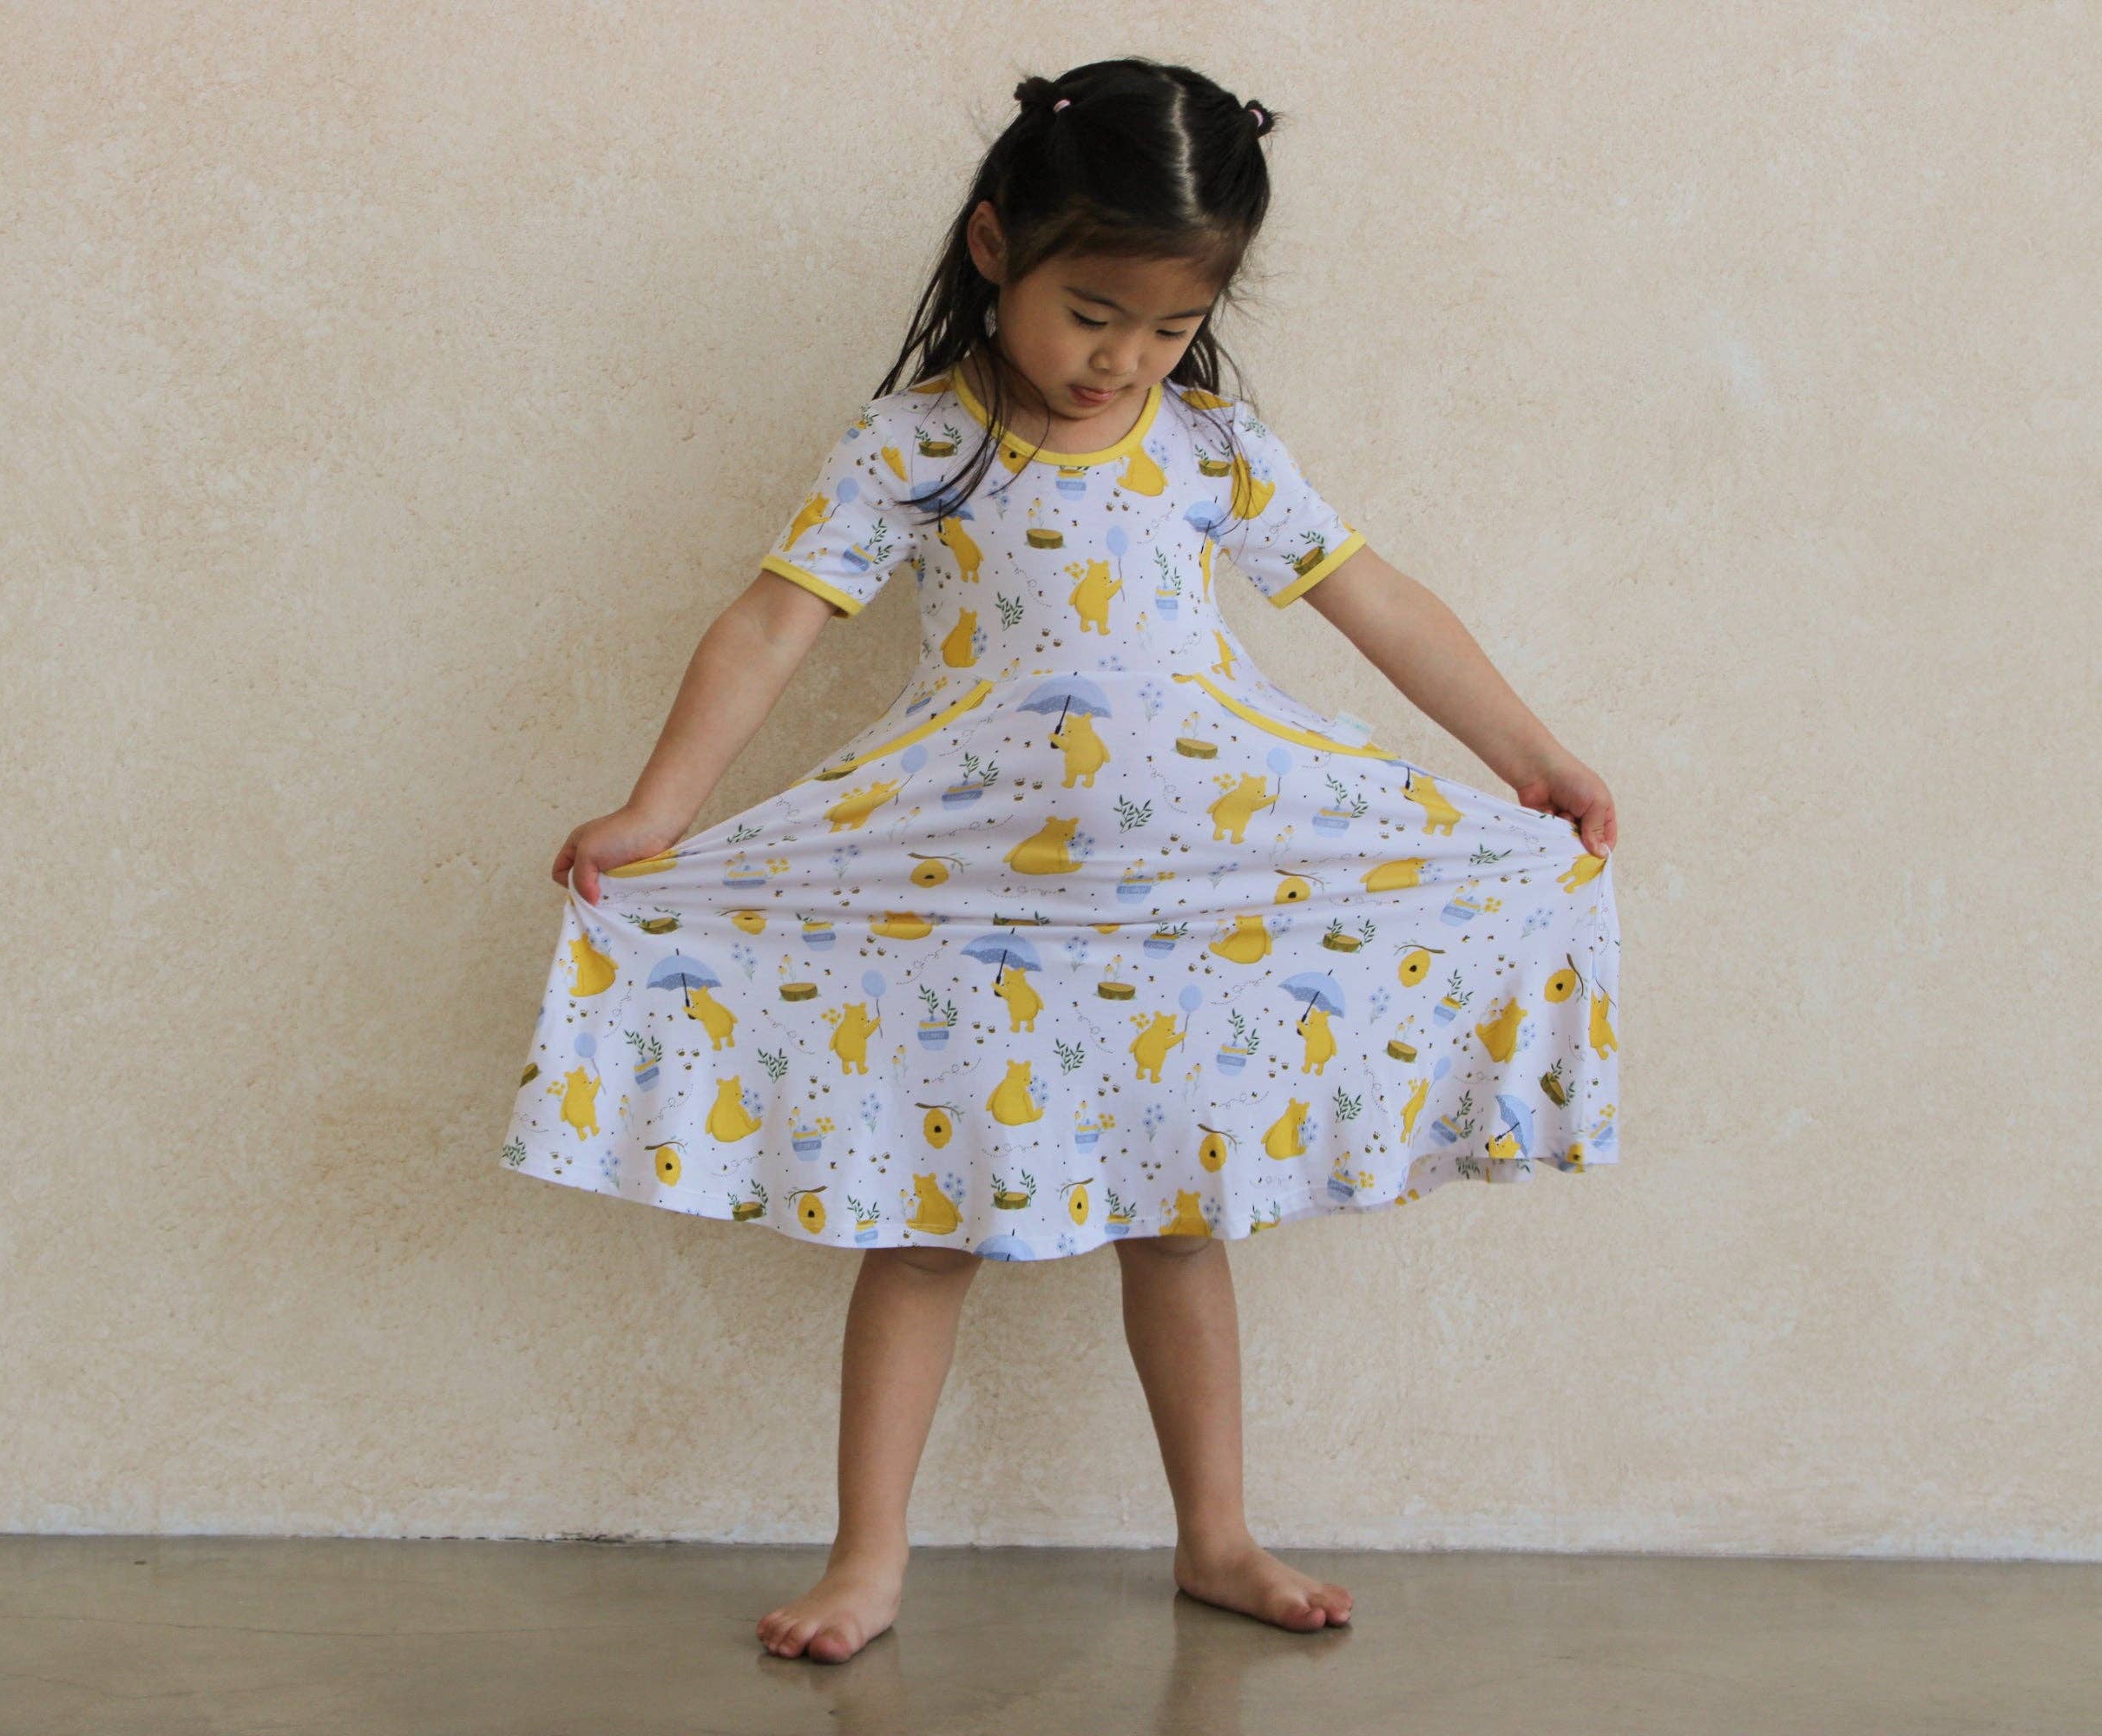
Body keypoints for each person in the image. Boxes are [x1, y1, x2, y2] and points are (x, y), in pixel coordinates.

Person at [496, 56, 1623, 1662]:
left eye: (1168, 326)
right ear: (991, 248)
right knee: (923, 1226)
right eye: (1093, 312)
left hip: (1184, 909)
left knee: (1179, 1220)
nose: (1124, 360)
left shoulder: (1212, 445)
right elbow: (771, 625)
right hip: (977, 899)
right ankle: (868, 1559)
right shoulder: (916, 444)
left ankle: (1218, 1538)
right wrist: (657, 812)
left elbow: (1373, 598)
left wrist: (1531, 759)